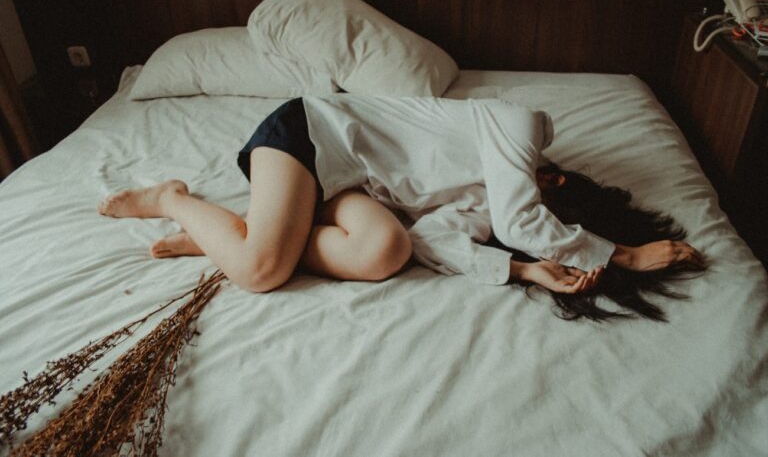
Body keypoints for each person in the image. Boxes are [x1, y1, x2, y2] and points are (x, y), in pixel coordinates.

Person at [98, 96, 703, 316]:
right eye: (545, 196)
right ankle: (174, 200)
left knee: (388, 248)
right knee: (262, 272)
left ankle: (227, 235)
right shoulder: (516, 126)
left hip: (352, 188)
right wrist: (620, 255)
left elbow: (431, 242)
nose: (526, 202)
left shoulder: (486, 206)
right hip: (314, 135)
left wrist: (521, 268)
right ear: (553, 178)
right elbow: (527, 220)